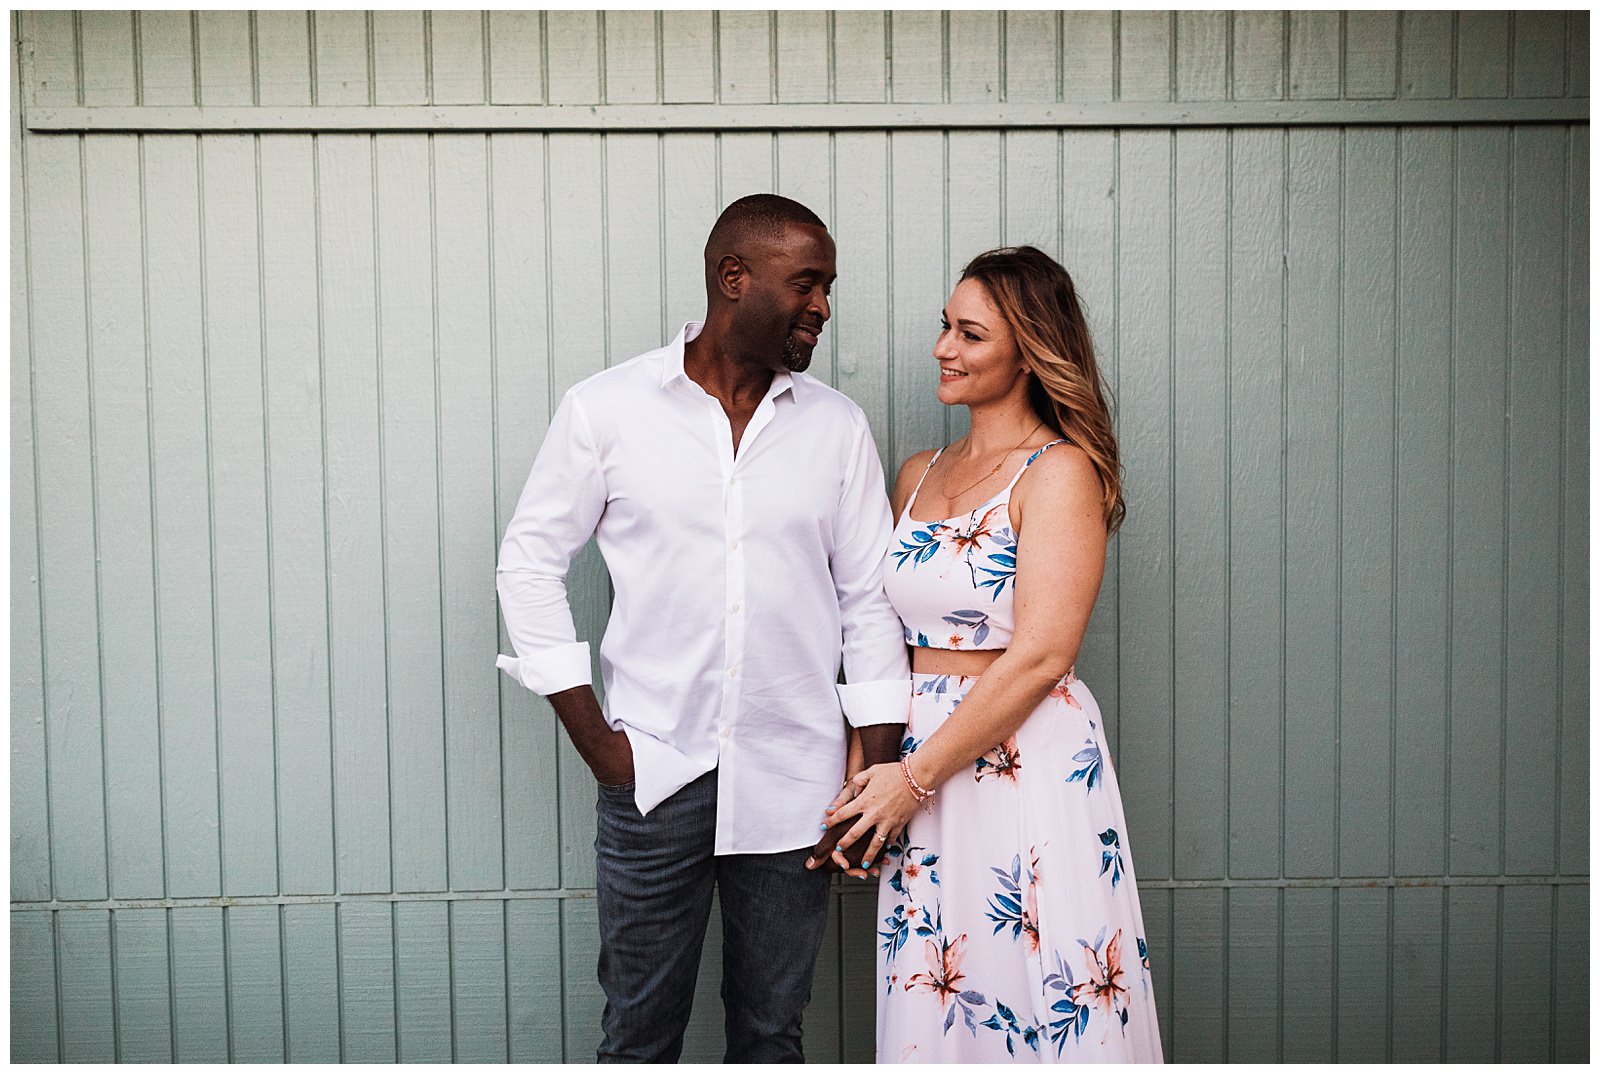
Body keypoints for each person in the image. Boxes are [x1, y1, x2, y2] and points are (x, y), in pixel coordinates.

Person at [494, 193, 908, 1063]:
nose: (824, 308)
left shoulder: (836, 429)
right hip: (654, 777)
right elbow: (527, 564)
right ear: (734, 277)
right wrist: (598, 741)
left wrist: (872, 765)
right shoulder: (606, 410)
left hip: (799, 789)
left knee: (770, 1034)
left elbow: (869, 599)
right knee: (640, 1035)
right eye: (807, 284)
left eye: (828, 287)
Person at [808, 246, 1162, 1062]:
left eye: (970, 334)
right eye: (945, 326)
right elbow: (879, 637)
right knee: (943, 976)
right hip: (913, 770)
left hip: (1018, 757)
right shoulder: (917, 474)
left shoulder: (1059, 472)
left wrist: (915, 775)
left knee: (1037, 966)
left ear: (1030, 351)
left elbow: (1042, 656)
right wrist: (869, 774)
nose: (943, 347)